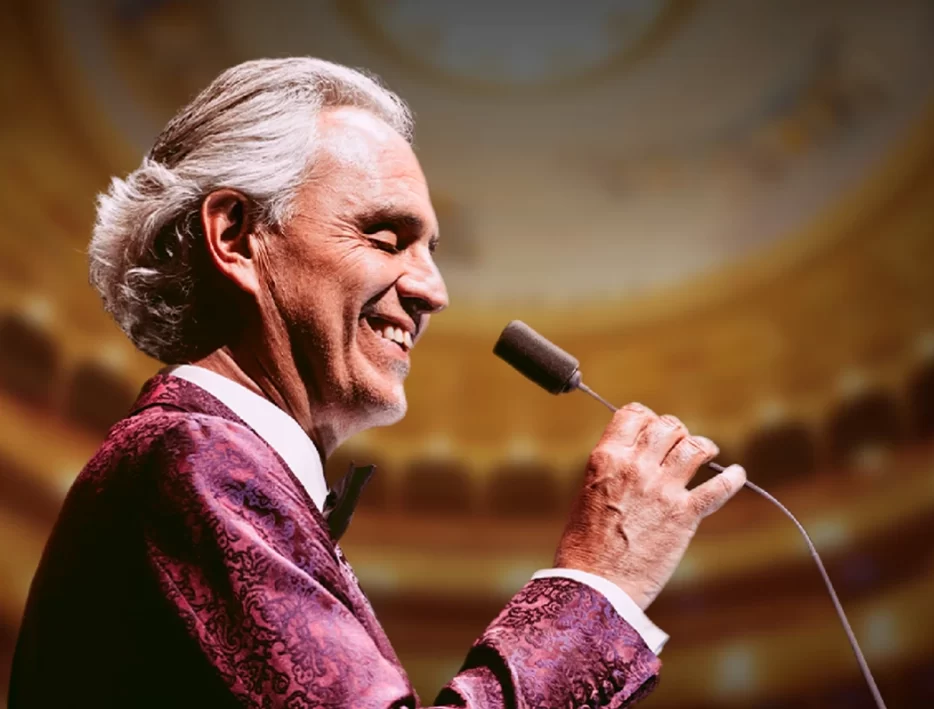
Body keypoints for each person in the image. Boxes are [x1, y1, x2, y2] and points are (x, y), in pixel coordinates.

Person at [8, 58, 746, 708]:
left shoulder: (213, 458)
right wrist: (598, 582)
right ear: (235, 236)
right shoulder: (196, 457)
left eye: (431, 250)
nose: (433, 291)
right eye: (387, 238)